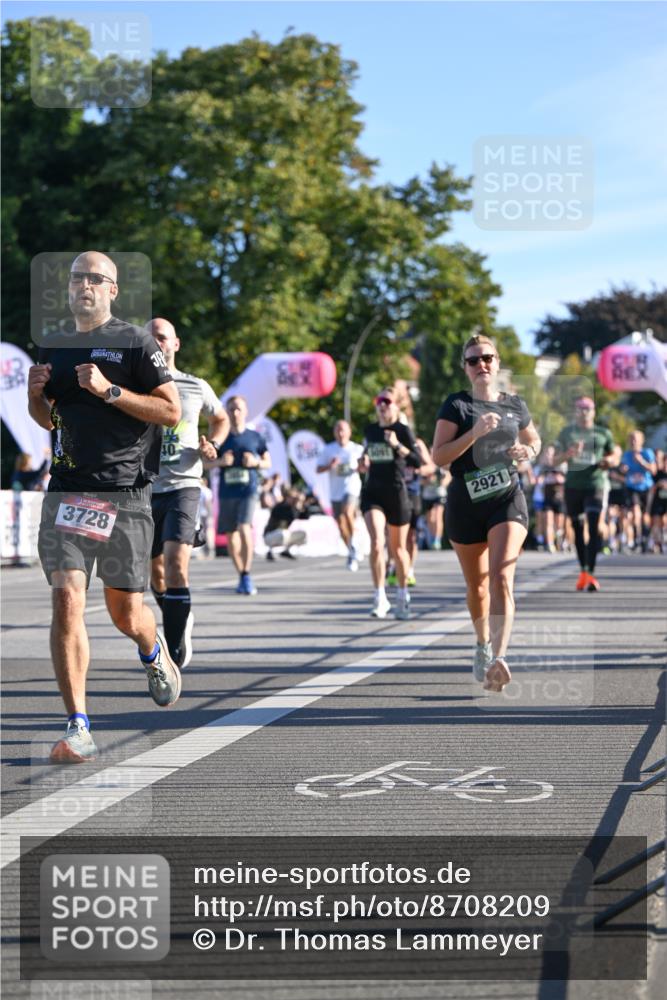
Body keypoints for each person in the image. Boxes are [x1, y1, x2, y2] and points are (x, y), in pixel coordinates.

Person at [28, 251, 182, 763]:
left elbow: (170, 411)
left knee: (125, 613)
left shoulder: (134, 341)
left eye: (96, 278)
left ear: (113, 289)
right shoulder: (54, 342)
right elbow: (48, 420)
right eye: (77, 278)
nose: (85, 286)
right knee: (67, 598)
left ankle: (152, 648)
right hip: (68, 491)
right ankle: (79, 725)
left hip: (126, 495)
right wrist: (35, 396)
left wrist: (110, 389)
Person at [432, 335, 541, 692]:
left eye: (487, 358)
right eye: (473, 360)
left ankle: (499, 657)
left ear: (497, 362)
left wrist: (527, 450)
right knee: (477, 586)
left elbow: (535, 441)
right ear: (465, 367)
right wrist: (474, 434)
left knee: (500, 576)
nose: (482, 365)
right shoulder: (456, 406)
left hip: (506, 497)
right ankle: (482, 643)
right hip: (465, 502)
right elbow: (439, 456)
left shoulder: (515, 404)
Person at [146, 318, 228, 667]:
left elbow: (220, 419)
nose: (157, 343)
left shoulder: (195, 386)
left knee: (178, 565)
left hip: (184, 484)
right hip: (145, 488)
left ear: (175, 344)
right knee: (157, 575)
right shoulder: (133, 387)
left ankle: (174, 648)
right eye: (150, 338)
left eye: (162, 338)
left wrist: (214, 444)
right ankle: (180, 613)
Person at [358, 387, 422, 620]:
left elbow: (417, 461)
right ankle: (379, 596)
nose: (382, 405)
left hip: (396, 493)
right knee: (376, 543)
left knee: (398, 549)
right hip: (373, 492)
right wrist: (363, 462)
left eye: (387, 401)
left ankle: (403, 595)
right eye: (379, 401)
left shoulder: (403, 431)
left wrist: (397, 445)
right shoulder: (371, 430)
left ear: (396, 406)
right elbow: (366, 454)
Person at [205, 395, 271, 595]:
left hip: (248, 490)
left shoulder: (254, 437)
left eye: (239, 409)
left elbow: (267, 462)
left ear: (246, 411)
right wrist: (219, 462)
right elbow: (205, 463)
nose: (235, 413)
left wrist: (256, 463)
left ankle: (247, 573)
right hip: (227, 492)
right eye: (231, 409)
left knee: (244, 527)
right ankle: (241, 574)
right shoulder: (220, 437)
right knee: (231, 534)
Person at [554, 397, 615, 592]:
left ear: (594, 411)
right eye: (580, 408)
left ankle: (591, 574)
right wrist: (568, 454)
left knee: (595, 522)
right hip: (573, 486)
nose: (584, 412)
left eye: (588, 408)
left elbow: (613, 455)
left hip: (595, 484)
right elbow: (554, 461)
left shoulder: (603, 433)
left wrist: (609, 462)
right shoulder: (567, 433)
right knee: (578, 529)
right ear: (575, 411)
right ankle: (583, 571)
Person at [316, 419, 364, 571]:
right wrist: (330, 466)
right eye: (338, 430)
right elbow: (318, 469)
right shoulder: (328, 449)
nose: (341, 433)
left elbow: (365, 468)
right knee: (341, 525)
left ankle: (354, 543)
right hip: (335, 492)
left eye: (343, 430)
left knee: (347, 512)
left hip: (351, 488)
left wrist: (361, 467)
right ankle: (352, 550)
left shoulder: (357, 449)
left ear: (349, 432)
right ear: (334, 433)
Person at [619, 430, 657, 553]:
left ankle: (645, 538)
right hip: (632, 487)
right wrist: (623, 469)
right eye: (631, 439)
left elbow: (653, 470)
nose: (633, 441)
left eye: (635, 439)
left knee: (645, 516)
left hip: (646, 487)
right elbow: (622, 468)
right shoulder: (627, 455)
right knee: (635, 513)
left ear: (641, 440)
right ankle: (636, 539)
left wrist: (641, 461)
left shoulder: (647, 453)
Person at [263, 487, 312, 559]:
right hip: (270, 534)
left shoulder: (293, 508)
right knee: (283, 533)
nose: (294, 500)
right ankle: (270, 551)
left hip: (283, 534)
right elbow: (288, 516)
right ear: (287, 497)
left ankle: (286, 551)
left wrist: (303, 504)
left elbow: (306, 517)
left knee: (302, 534)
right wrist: (296, 507)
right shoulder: (279, 507)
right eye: (292, 497)